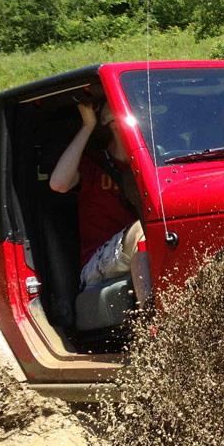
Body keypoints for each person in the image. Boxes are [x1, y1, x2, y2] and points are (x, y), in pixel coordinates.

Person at [49, 102, 151, 304]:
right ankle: (155, 319)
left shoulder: (148, 165)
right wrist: (87, 125)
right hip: (96, 263)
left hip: (138, 249)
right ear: (115, 125)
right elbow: (58, 183)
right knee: (142, 231)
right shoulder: (94, 166)